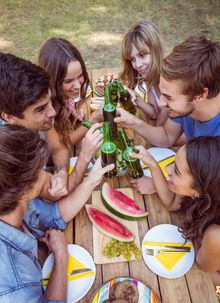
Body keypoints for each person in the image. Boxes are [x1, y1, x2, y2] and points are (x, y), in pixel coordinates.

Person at [0, 124, 114, 303]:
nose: (47, 173)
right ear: (24, 191)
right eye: (40, 170)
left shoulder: (11, 200)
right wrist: (61, 255)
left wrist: (92, 179)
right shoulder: (13, 291)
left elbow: (53, 215)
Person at [115, 35, 220, 194]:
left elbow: (219, 194)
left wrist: (160, 185)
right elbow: (166, 136)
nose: (161, 103)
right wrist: (133, 122)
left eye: (169, 97)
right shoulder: (191, 92)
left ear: (200, 95)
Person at [130, 136, 220, 287]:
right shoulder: (215, 190)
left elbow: (204, 267)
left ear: (201, 189)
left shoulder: (218, 236)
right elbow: (172, 203)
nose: (168, 169)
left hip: (219, 272)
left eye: (176, 171)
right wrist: (152, 163)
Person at [0, 52, 101, 198]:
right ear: (10, 117)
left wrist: (62, 172)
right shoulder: (9, 155)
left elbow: (58, 148)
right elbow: (54, 202)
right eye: (41, 109)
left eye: (49, 102)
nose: (52, 112)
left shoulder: (39, 115)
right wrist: (84, 157)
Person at [38, 37, 101, 154]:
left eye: (80, 76)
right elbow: (61, 147)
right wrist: (93, 120)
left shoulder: (59, 96)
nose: (77, 85)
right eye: (68, 81)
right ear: (53, 81)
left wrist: (68, 108)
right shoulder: (46, 107)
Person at [119, 20, 168, 125]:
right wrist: (134, 97)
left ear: (156, 50)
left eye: (142, 55)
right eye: (132, 59)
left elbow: (160, 127)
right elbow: (154, 113)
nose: (137, 65)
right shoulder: (151, 78)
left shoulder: (170, 80)